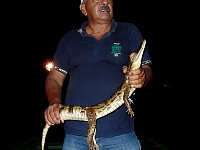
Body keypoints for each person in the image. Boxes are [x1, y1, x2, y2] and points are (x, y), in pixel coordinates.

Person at [44, 0, 152, 149]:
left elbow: (146, 68)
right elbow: (54, 78)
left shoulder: (128, 31)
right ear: (84, 8)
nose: (105, 1)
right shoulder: (69, 39)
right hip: (76, 137)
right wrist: (54, 103)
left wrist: (143, 76)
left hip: (121, 135)